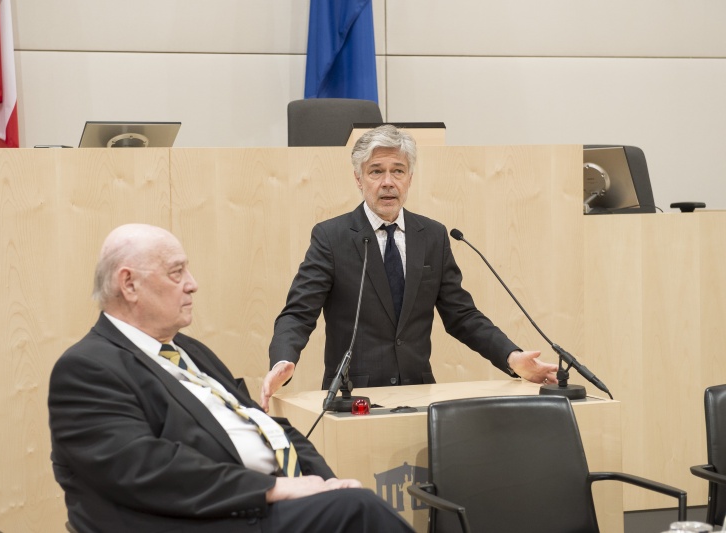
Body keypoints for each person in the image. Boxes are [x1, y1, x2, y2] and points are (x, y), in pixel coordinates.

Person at [48, 224, 414, 533]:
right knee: (358, 511)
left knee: (348, 500)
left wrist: (324, 481)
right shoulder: (87, 368)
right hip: (202, 518)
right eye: (177, 273)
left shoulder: (188, 349)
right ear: (128, 284)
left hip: (254, 506)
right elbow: (145, 468)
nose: (192, 284)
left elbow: (267, 425)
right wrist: (274, 488)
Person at [261, 125, 558, 411]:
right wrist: (282, 361)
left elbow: (463, 316)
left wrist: (511, 356)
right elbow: (298, 314)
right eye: (376, 171)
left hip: (419, 394)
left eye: (397, 171)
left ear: (410, 178)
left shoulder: (432, 236)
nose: (388, 182)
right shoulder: (332, 237)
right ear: (358, 178)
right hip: (353, 400)